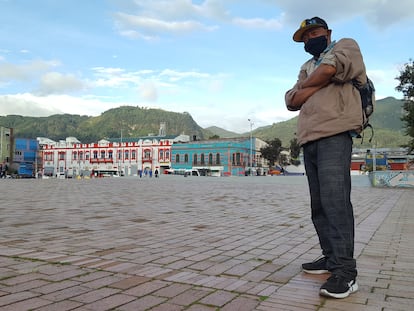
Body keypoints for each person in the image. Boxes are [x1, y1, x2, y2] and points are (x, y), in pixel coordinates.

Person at [285, 17, 367, 299]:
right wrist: (320, 79)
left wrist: (314, 81)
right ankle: (330, 257)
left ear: (327, 32)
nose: (310, 39)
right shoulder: (307, 66)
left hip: (335, 132)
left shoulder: (346, 45)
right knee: (319, 205)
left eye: (315, 33)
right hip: (309, 138)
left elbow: (332, 68)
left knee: (336, 202)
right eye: (305, 37)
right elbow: (291, 100)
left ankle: (346, 272)